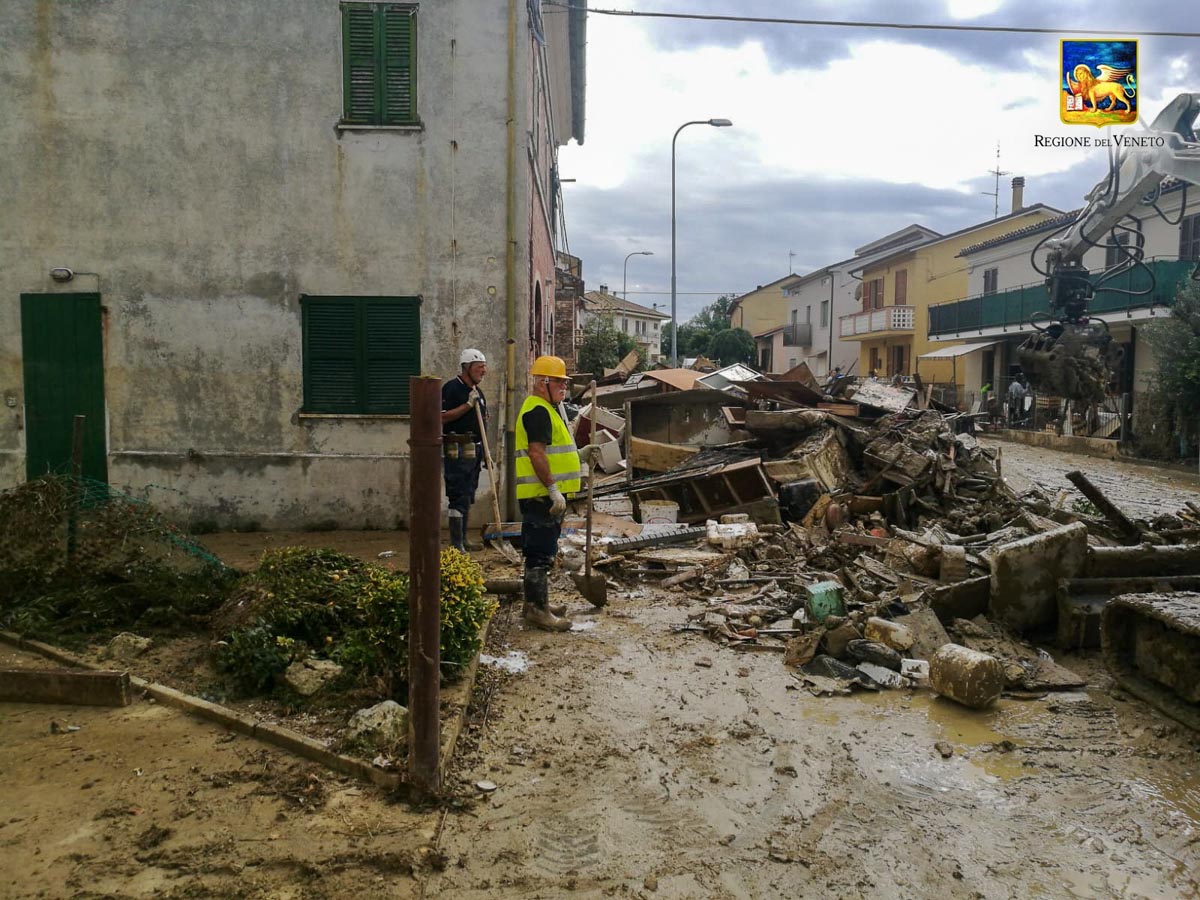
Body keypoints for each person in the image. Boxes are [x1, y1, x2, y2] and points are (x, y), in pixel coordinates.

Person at [515, 355, 602, 632]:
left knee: (542, 551)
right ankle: (538, 611)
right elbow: (537, 454)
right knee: (540, 554)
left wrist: (579, 455)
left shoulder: (548, 409)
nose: (565, 388)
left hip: (544, 495)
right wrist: (553, 490)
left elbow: (554, 454)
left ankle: (534, 604)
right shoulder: (538, 411)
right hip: (541, 496)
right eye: (559, 383)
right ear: (543, 383)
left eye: (565, 383)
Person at [441, 349, 489, 552]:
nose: (483, 372)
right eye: (479, 368)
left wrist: (487, 452)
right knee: (458, 495)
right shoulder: (452, 389)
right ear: (467, 368)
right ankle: (456, 543)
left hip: (475, 449)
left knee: (468, 494)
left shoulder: (478, 391)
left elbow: (483, 422)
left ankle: (464, 540)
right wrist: (467, 405)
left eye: (484, 368)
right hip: (457, 449)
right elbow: (441, 417)